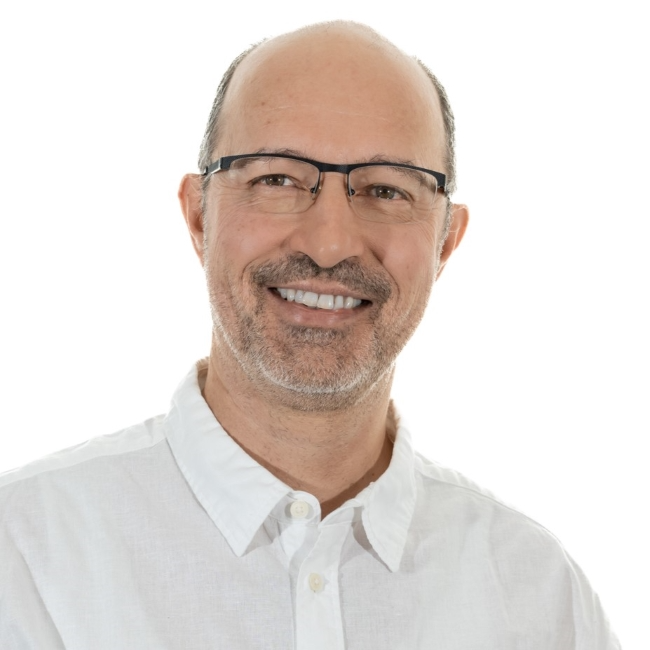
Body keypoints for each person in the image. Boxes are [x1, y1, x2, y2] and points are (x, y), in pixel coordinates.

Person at [0, 21, 619, 650]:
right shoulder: (22, 558)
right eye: (277, 180)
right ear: (198, 216)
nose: (329, 245)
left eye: (386, 189)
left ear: (445, 243)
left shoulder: (540, 599)